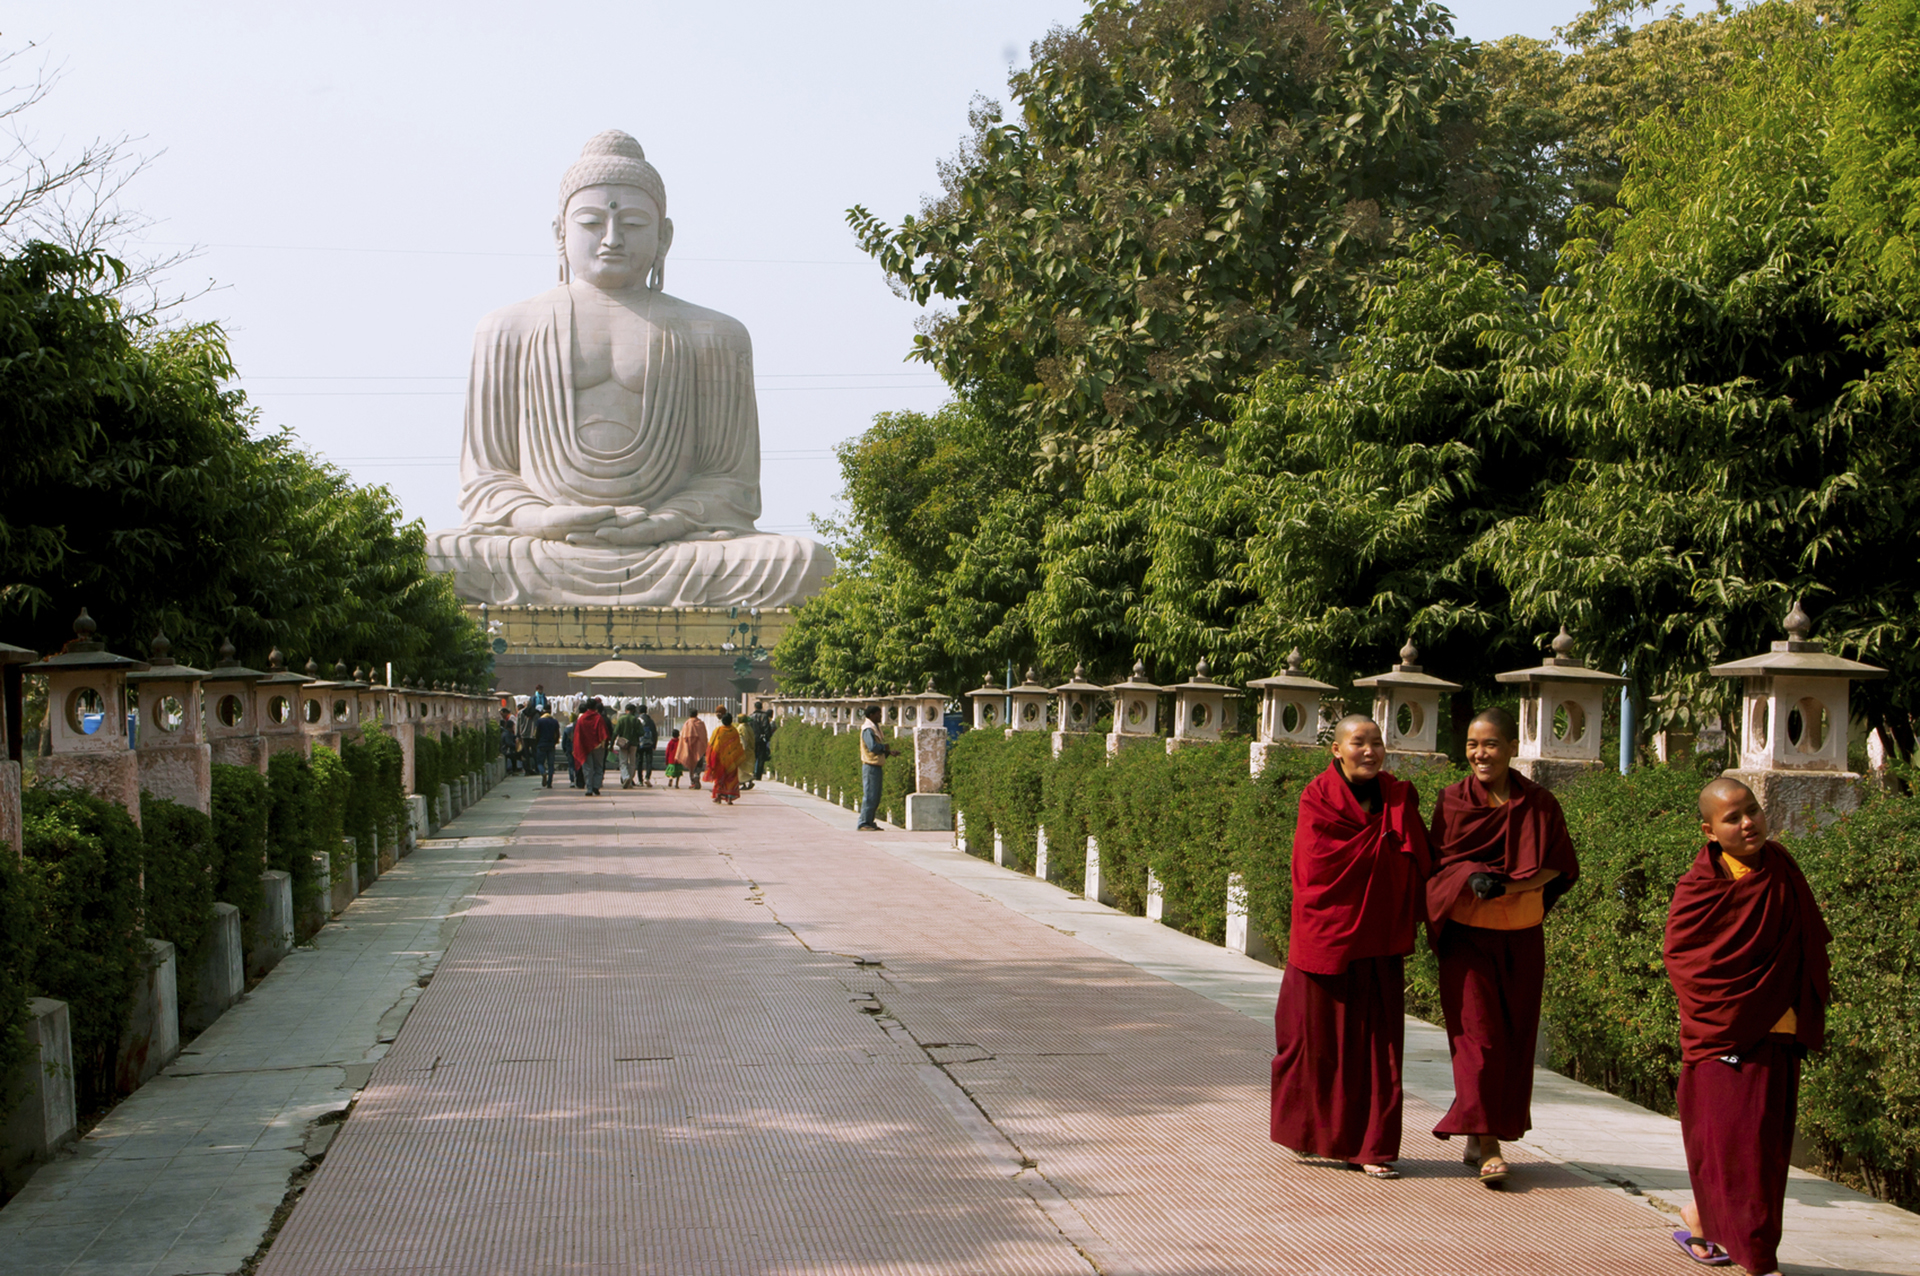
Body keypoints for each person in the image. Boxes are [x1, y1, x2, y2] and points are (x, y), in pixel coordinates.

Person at [1663, 777, 1831, 1276]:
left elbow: (1807, 939)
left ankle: (1702, 1219)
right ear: (1709, 831)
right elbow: (1685, 962)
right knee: (1737, 1149)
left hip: (1779, 1027)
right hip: (1723, 1032)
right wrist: (1730, 1013)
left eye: (1752, 810)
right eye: (1732, 818)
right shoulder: (1698, 888)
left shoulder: (1781, 867)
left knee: (1767, 1151)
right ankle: (1758, 1261)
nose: (1747, 823)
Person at [1271, 714, 1431, 1179]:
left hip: (1378, 939)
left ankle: (1370, 1146)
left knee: (1377, 1049)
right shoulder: (1318, 797)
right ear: (1336, 750)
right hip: (1326, 936)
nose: (1369, 751)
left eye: (1376, 742)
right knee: (1312, 1041)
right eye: (1358, 742)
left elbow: (1419, 859)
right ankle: (1311, 1133)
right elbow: (1314, 869)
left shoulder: (1398, 797)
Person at [1425, 707, 1579, 1186]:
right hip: (1468, 936)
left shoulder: (1539, 802)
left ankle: (1479, 1133)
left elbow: (1558, 864)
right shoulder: (1453, 800)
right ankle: (1489, 1145)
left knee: (1512, 1040)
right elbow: (1437, 865)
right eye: (1472, 744)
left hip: (1522, 934)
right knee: (1479, 1038)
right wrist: (1470, 876)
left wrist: (1509, 886)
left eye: (1490, 744)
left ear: (1512, 747)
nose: (1480, 753)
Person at [855, 705, 893, 831]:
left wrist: (888, 752)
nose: (880, 716)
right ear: (871, 715)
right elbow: (872, 747)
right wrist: (884, 748)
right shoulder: (868, 729)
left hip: (876, 765)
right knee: (870, 795)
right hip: (870, 766)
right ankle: (863, 823)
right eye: (878, 714)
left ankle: (870, 822)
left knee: (875, 796)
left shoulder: (875, 728)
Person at [705, 708, 746, 804]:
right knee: (731, 779)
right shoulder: (734, 731)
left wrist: (711, 757)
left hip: (720, 760)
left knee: (719, 778)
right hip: (732, 760)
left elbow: (712, 745)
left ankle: (718, 797)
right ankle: (730, 799)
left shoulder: (718, 731)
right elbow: (738, 745)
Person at [573, 697, 612, 796]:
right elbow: (603, 733)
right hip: (598, 747)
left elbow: (578, 734)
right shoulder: (598, 718)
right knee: (599, 767)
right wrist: (603, 744)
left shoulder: (582, 719)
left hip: (585, 747)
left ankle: (589, 788)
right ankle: (596, 786)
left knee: (587, 768)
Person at [613, 701, 643, 789]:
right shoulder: (636, 720)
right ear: (634, 711)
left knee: (623, 762)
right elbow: (642, 732)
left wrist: (611, 743)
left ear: (626, 710)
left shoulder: (621, 719)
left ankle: (625, 777)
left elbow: (615, 732)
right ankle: (630, 779)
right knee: (632, 762)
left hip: (623, 744)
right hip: (634, 743)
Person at [681, 710, 708, 792]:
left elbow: (684, 737)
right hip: (700, 749)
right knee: (699, 765)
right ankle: (697, 776)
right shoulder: (701, 724)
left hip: (691, 749)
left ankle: (693, 781)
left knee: (692, 766)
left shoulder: (687, 724)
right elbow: (704, 736)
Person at [533, 706, 559, 787]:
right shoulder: (555, 721)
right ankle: (549, 782)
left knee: (540, 763)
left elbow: (536, 733)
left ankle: (543, 772)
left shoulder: (539, 721)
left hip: (541, 744)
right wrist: (555, 742)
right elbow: (557, 734)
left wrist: (536, 742)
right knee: (551, 765)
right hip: (551, 745)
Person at [635, 702, 659, 786]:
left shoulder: (637, 720)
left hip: (640, 743)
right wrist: (654, 743)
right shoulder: (650, 720)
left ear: (639, 711)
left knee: (639, 761)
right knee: (649, 761)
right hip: (649, 743)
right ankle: (647, 777)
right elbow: (655, 733)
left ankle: (640, 780)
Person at [752, 706, 775, 782]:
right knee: (761, 757)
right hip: (762, 739)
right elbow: (766, 728)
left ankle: (753, 773)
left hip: (753, 739)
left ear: (755, 707)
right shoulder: (764, 716)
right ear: (761, 707)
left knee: (753, 756)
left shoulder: (750, 717)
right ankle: (758, 775)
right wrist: (768, 738)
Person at [560, 714, 583, 789]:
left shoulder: (567, 728)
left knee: (571, 765)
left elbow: (564, 741)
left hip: (569, 749)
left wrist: (565, 749)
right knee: (578, 764)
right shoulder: (579, 726)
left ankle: (572, 781)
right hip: (578, 748)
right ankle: (578, 779)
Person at [499, 707, 519, 774]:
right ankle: (514, 769)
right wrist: (515, 746)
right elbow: (509, 743)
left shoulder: (507, 732)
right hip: (506, 750)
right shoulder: (507, 733)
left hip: (507, 749)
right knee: (514, 755)